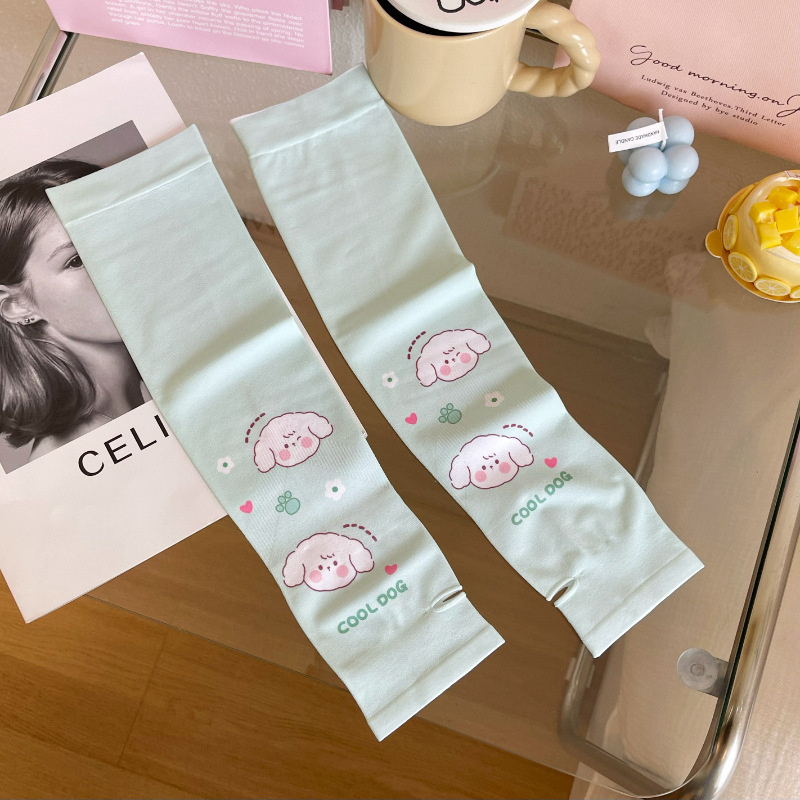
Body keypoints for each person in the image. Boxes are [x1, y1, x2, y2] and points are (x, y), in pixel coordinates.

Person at [0, 159, 148, 463]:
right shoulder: (68, 458)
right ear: (17, 306)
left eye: (118, 240)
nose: (117, 267)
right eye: (76, 260)